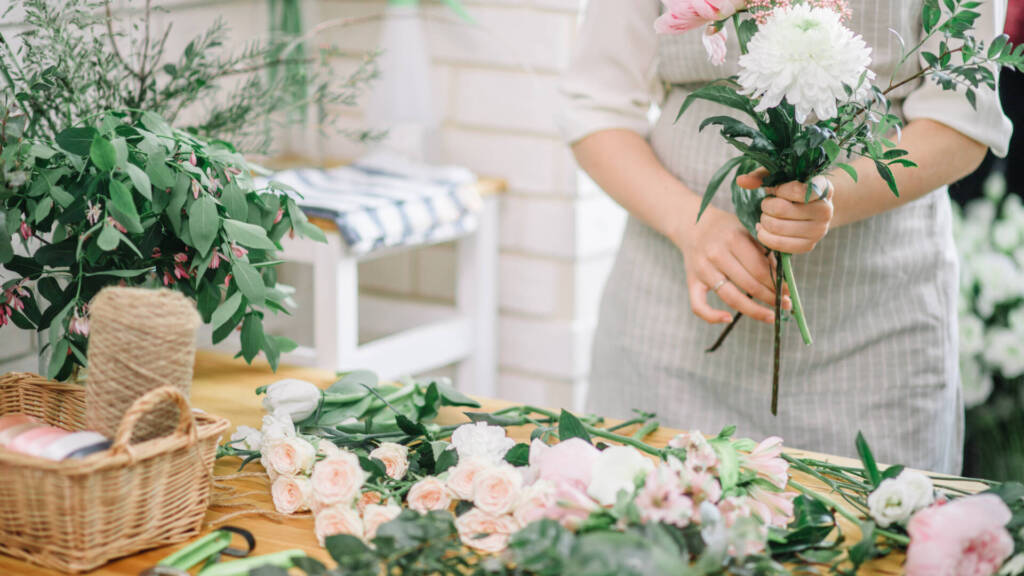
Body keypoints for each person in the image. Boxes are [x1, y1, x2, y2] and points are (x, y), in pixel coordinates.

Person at [559, 0, 1013, 474]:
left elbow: (961, 123)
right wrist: (692, 226)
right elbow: (596, 103)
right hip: (669, 332)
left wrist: (830, 196)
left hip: (873, 338)